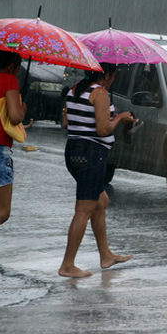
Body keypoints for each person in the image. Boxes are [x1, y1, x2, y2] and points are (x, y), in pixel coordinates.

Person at [59, 63, 135, 278]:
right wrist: (120, 118)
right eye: (114, 75)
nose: (114, 80)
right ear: (108, 75)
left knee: (101, 201)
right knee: (84, 209)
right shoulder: (99, 93)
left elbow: (66, 122)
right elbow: (103, 130)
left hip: (73, 151)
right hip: (92, 153)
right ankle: (67, 264)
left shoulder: (75, 89)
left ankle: (106, 255)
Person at [0, 49, 27, 278]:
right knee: (0, 212)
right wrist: (21, 108)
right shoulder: (9, 80)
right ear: (12, 66)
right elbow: (15, 117)